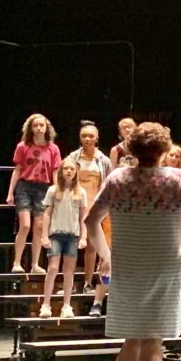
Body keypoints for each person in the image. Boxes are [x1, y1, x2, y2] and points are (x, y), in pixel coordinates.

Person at [84, 121, 181, 361]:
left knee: (130, 341)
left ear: (132, 150)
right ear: (165, 150)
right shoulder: (178, 178)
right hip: (164, 265)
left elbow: (91, 220)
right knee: (153, 341)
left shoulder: (117, 178)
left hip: (128, 266)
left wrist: (107, 256)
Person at [6, 113, 62, 274]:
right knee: (25, 225)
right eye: (35, 125)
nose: (39, 128)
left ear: (46, 128)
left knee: (39, 227)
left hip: (43, 188)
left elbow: (55, 171)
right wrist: (10, 193)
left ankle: (35, 264)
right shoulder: (23, 146)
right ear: (30, 128)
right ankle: (17, 262)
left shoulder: (53, 148)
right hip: (25, 186)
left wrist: (56, 191)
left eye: (41, 125)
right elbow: (17, 170)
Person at [65, 121, 113, 298]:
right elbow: (63, 180)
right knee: (70, 244)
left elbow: (109, 184)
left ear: (97, 138)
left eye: (91, 136)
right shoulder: (72, 158)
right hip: (74, 205)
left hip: (95, 207)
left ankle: (87, 282)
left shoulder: (104, 161)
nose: (87, 139)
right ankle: (68, 284)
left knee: (92, 246)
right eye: (84, 136)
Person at [38, 160, 88, 319]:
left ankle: (67, 305)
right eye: (66, 168)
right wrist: (44, 235)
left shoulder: (81, 193)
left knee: (69, 271)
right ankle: (46, 304)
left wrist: (84, 237)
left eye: (72, 168)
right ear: (61, 171)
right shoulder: (53, 191)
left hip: (72, 235)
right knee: (52, 268)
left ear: (76, 172)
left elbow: (83, 217)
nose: (69, 171)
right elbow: (47, 214)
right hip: (56, 234)